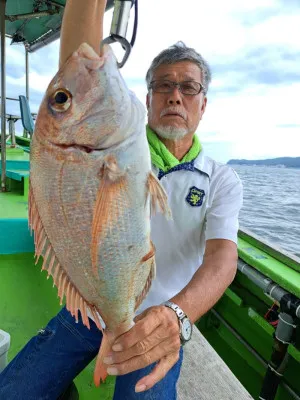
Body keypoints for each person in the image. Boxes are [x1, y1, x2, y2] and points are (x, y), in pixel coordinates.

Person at [0, 1, 243, 399]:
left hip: (157, 318)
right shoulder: (117, 142)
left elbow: (222, 260)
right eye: (163, 85)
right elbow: (80, 63)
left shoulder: (222, 180)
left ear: (204, 104)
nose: (175, 96)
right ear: (145, 99)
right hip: (90, 308)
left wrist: (175, 316)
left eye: (189, 87)